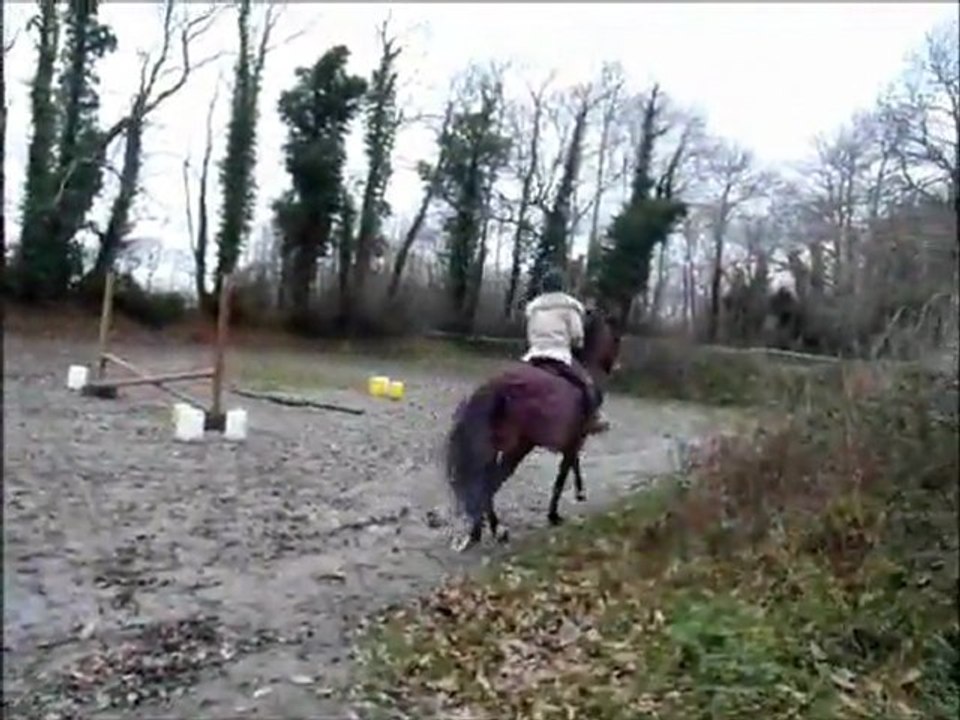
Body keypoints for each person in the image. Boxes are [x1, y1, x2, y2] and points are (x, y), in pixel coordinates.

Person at [522, 268, 610, 434]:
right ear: (562, 287)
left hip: (533, 355)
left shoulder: (533, 308)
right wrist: (577, 345)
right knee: (587, 384)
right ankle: (593, 418)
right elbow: (577, 336)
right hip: (559, 355)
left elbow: (530, 334)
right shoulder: (569, 307)